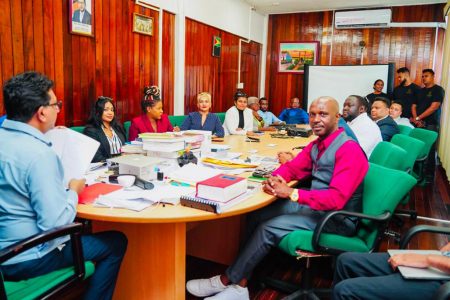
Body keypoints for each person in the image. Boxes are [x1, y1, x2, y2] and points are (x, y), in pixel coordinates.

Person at [186, 96, 368, 300]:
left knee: (268, 227)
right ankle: (241, 284)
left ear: (337, 117)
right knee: (256, 214)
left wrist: (291, 192)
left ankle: (229, 280)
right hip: (317, 207)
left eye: (323, 114)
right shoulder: (319, 144)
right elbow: (294, 167)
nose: (316, 119)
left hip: (336, 218)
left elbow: (336, 199)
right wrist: (276, 178)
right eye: (313, 114)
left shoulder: (349, 149)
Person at [0, 71, 127, 300]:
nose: (58, 109)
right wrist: (73, 191)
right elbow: (55, 223)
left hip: (5, 250)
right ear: (41, 113)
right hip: (26, 256)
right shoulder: (39, 154)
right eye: (55, 104)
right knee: (117, 242)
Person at [332, 243, 450, 300]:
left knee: (344, 290)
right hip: (440, 262)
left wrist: (428, 259)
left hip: (444, 282)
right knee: (346, 261)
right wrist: (440, 254)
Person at [411, 68, 445, 183]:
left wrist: (418, 118)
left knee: (429, 151)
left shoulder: (438, 90)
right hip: (418, 124)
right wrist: (416, 119)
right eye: (423, 76)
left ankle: (429, 177)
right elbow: (413, 106)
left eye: (427, 76)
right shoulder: (420, 91)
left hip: (431, 124)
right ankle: (418, 174)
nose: (424, 78)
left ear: (433, 76)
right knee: (418, 148)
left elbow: (434, 107)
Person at [83, 96, 127, 162]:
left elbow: (126, 147)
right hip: (104, 168)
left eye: (112, 110)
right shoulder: (91, 131)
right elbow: (96, 157)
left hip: (123, 165)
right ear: (98, 111)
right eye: (106, 110)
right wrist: (115, 162)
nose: (110, 113)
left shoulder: (118, 127)